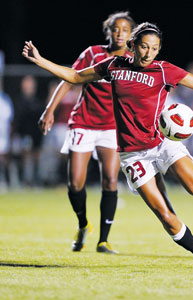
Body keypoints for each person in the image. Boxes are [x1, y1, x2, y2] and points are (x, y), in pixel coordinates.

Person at [22, 22, 193, 269]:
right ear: (133, 45)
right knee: (165, 217)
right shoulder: (113, 66)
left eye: (154, 48)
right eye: (144, 46)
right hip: (132, 155)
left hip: (162, 144)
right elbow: (75, 76)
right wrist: (40, 60)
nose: (148, 53)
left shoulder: (164, 70)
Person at [37, 11, 136, 253]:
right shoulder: (92, 54)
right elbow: (68, 79)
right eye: (116, 29)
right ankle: (83, 225)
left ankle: (103, 240)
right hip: (83, 122)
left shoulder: (133, 60)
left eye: (125, 29)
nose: (120, 33)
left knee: (111, 180)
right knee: (75, 184)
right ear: (108, 31)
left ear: (131, 34)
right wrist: (50, 110)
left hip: (112, 127)